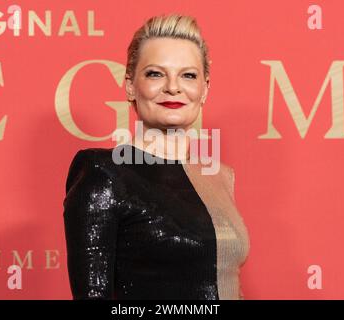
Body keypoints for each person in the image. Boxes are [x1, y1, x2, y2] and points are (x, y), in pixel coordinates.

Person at [63, 13, 250, 300]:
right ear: (130, 86)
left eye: (188, 75)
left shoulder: (220, 175)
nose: (173, 87)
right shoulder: (105, 172)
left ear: (204, 89)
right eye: (155, 73)